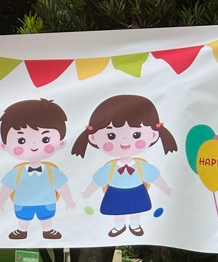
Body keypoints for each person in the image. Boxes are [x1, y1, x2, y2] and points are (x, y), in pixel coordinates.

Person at [71, 94, 178, 238]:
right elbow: (97, 181)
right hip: (116, 191)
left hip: (136, 190)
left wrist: (166, 189)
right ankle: (119, 226)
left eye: (136, 135)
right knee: (118, 210)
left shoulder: (141, 165)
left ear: (153, 135)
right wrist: (87, 193)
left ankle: (135, 224)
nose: (125, 140)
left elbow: (155, 178)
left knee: (136, 209)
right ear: (93, 138)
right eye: (111, 136)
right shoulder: (110, 167)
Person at [0, 98, 76, 240]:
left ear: (61, 143)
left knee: (46, 217)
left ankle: (48, 230)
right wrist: (0, 202)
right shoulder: (17, 172)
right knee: (23, 218)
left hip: (47, 201)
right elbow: (7, 187)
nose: (34, 146)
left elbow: (62, 186)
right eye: (21, 140)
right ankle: (21, 230)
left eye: (45, 139)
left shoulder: (51, 171)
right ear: (4, 145)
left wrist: (69, 200)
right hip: (23, 202)